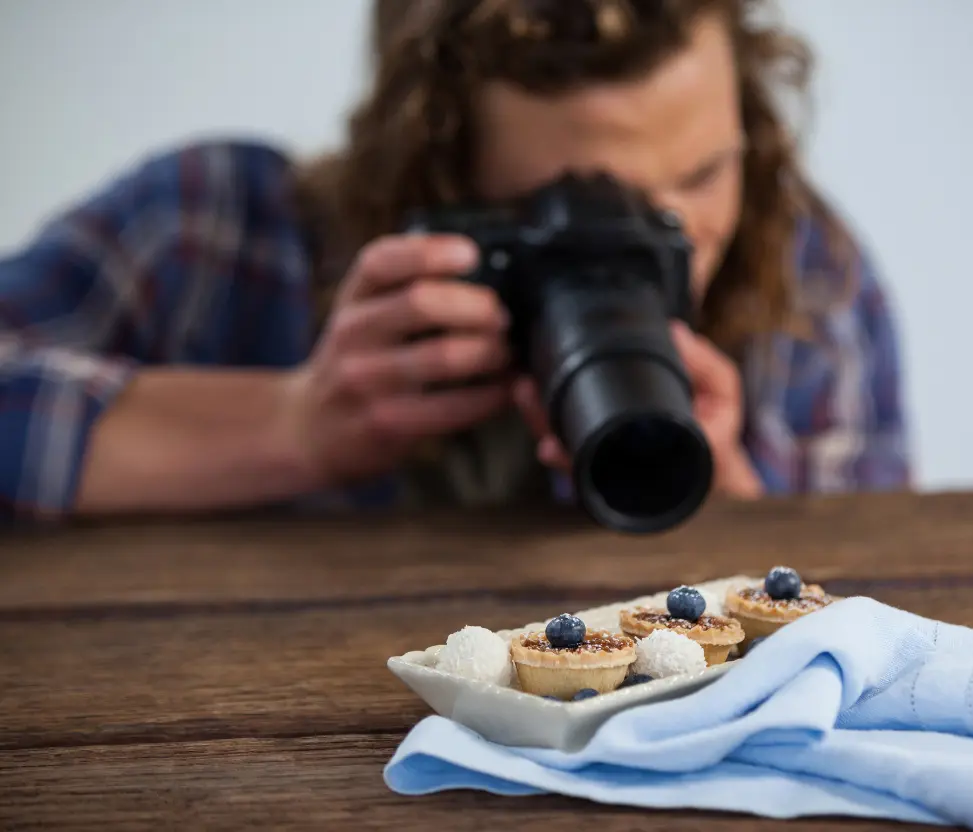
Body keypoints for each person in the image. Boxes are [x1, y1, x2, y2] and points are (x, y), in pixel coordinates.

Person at [0, 0, 911, 522]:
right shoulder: (212, 227)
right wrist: (292, 425)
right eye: (573, 210)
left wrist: (724, 504)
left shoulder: (810, 280)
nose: (665, 236)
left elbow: (886, 641)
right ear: (431, 173)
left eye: (705, 171)